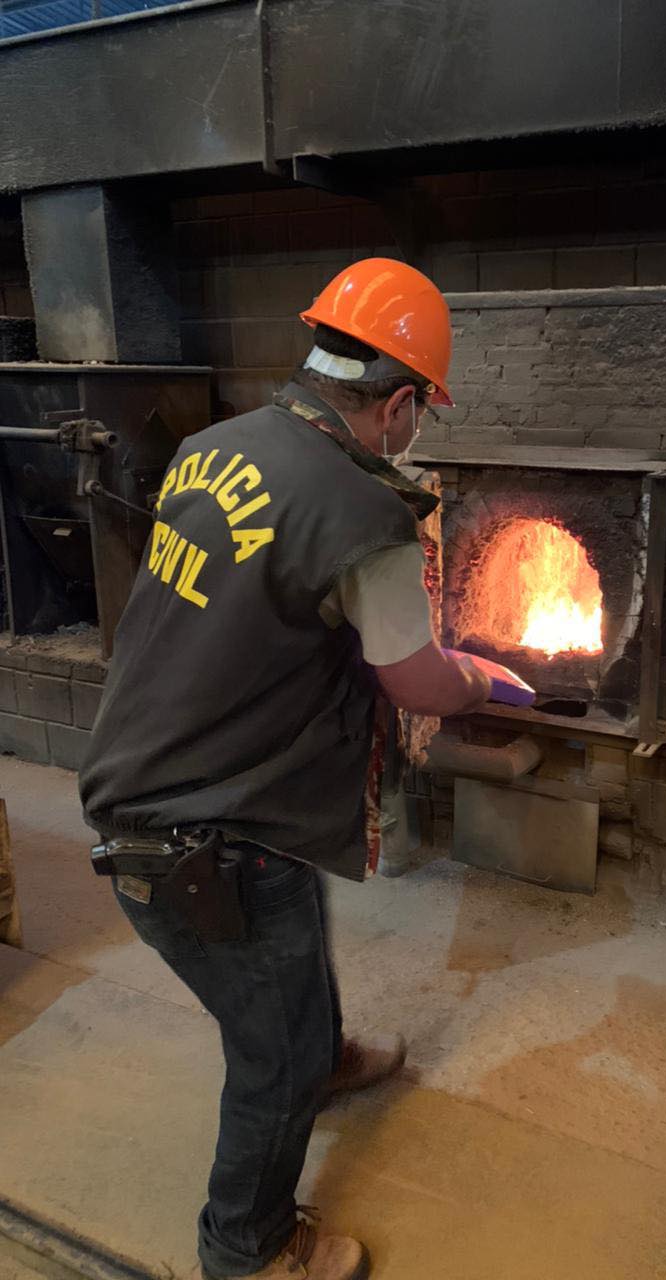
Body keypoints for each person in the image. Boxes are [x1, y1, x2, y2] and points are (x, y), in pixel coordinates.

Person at [79, 258, 492, 1280]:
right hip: (199, 836)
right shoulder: (364, 515)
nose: (414, 431)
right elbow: (416, 683)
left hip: (162, 772)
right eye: (420, 412)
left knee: (293, 912)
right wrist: (477, 679)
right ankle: (247, 1243)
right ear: (398, 404)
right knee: (272, 1055)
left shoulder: (213, 448)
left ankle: (324, 1054)